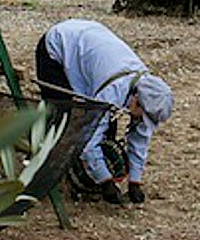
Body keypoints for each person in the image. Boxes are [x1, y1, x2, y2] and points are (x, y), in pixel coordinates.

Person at [34, 19, 173, 205]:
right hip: (59, 44)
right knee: (61, 116)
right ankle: (46, 169)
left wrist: (135, 181)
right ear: (137, 100)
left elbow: (140, 136)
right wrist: (106, 181)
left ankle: (89, 173)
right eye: (142, 116)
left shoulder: (146, 89)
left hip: (88, 42)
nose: (140, 121)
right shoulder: (113, 90)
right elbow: (89, 138)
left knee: (106, 125)